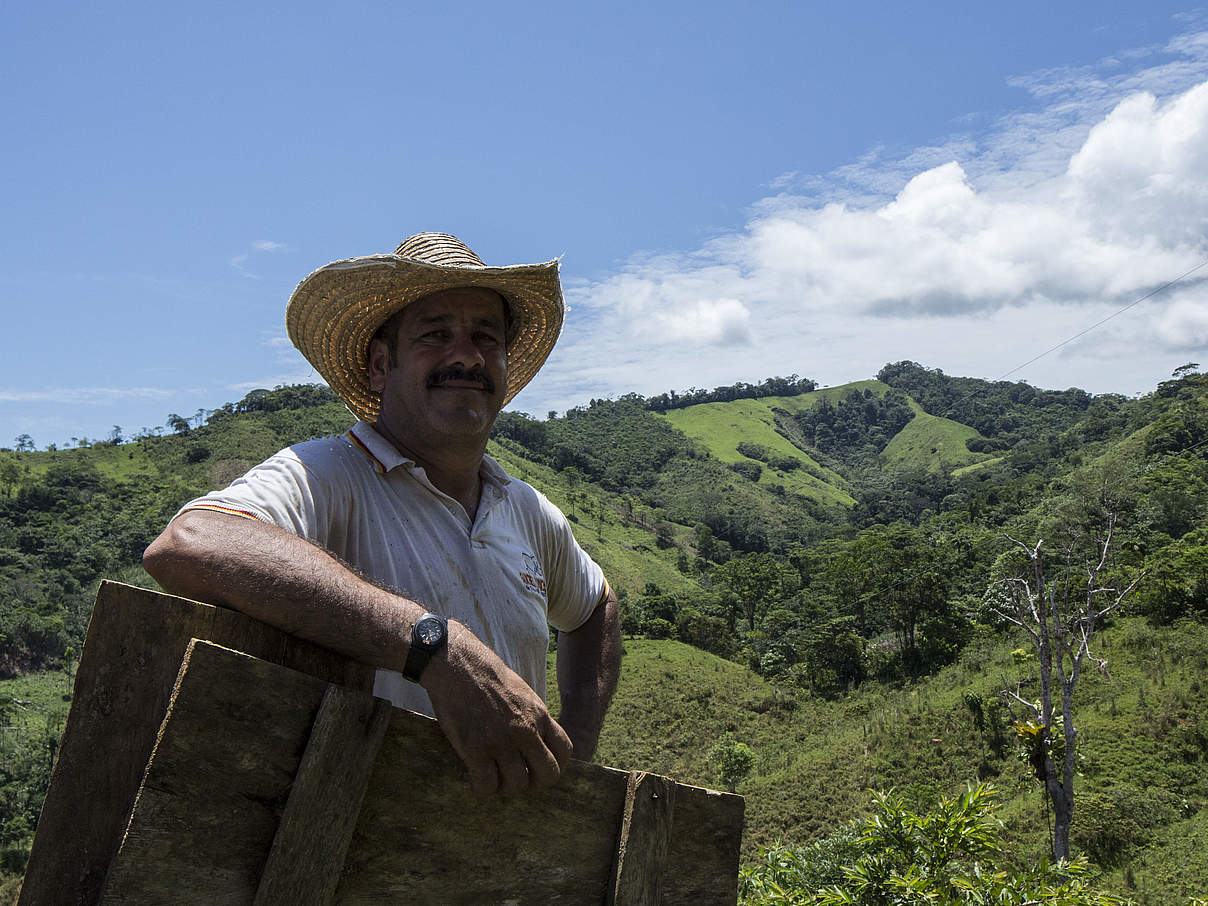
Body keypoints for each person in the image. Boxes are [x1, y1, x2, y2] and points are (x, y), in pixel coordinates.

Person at [143, 232, 621, 798]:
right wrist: (434, 648)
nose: (466, 354)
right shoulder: (328, 475)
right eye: (435, 334)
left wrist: (578, 744)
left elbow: (596, 606)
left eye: (485, 338)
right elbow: (191, 544)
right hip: (351, 845)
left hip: (505, 858)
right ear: (378, 366)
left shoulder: (527, 511)